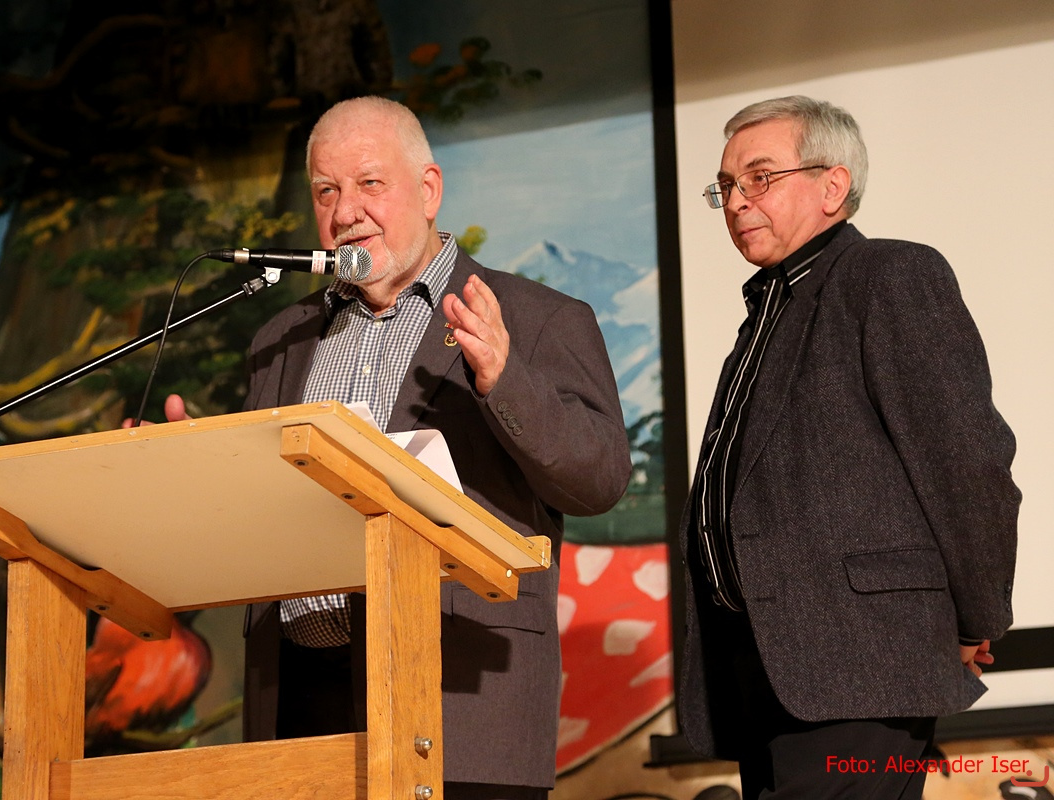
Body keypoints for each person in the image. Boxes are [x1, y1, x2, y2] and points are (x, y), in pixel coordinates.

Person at [154, 96, 630, 799]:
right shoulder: (279, 340)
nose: (346, 210)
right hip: (300, 699)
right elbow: (261, 512)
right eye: (326, 191)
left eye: (370, 183)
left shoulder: (538, 320)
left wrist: (504, 377)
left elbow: (600, 480)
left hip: (461, 696)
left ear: (429, 190)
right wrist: (188, 472)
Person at [678, 95, 1020, 799]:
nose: (737, 201)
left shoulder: (889, 275)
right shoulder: (766, 312)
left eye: (760, 177)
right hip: (764, 666)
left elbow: (968, 463)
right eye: (727, 185)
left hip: (861, 659)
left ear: (833, 185)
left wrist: (978, 619)